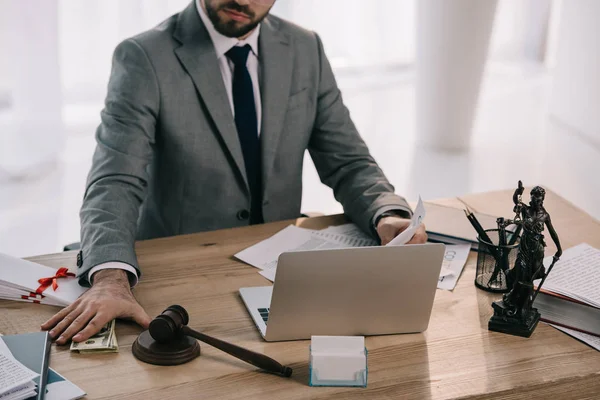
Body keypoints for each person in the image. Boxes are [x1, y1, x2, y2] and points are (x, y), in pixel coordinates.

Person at [42, 0, 427, 345]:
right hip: (182, 274)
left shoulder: (305, 47)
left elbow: (348, 160)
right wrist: (110, 279)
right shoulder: (144, 56)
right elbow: (115, 180)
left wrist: (387, 211)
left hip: (277, 269)